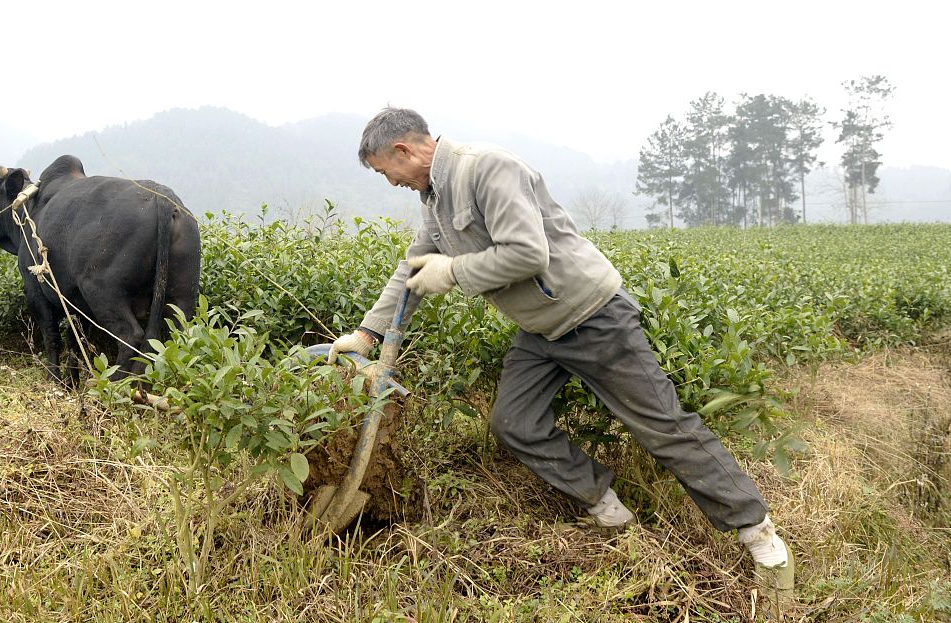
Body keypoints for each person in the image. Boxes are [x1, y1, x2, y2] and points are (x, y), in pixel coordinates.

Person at [328, 107, 794, 609]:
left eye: (386, 171)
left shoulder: (486, 168)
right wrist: (367, 333)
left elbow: (528, 253)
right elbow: (413, 269)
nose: (391, 182)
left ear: (404, 150)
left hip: (593, 315)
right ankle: (608, 509)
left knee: (663, 427)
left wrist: (454, 271)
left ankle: (759, 535)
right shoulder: (434, 197)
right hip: (541, 330)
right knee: (514, 422)